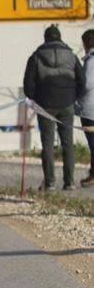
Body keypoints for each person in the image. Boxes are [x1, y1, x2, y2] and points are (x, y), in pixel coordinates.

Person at [23, 25, 84, 190]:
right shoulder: (72, 56)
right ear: (60, 38)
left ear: (46, 38)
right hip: (67, 104)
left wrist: (34, 99)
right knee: (68, 143)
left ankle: (50, 182)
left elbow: (28, 83)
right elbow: (82, 80)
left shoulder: (36, 56)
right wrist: (73, 97)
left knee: (47, 144)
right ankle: (69, 182)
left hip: (45, 105)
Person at [79, 29, 94, 187]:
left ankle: (93, 175)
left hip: (90, 108)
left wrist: (77, 93)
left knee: (93, 144)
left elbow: (88, 83)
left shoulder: (90, 60)